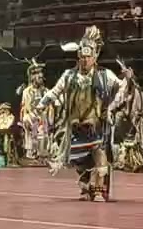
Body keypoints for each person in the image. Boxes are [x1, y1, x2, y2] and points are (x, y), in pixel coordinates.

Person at [35, 26, 131, 201]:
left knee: (99, 155)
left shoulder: (104, 75)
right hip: (75, 126)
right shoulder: (69, 76)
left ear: (94, 57)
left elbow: (122, 90)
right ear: (78, 58)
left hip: (96, 125)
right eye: (82, 57)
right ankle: (86, 187)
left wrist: (128, 79)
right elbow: (55, 92)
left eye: (88, 57)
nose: (85, 60)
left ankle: (99, 190)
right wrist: (41, 104)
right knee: (80, 161)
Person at [18, 61, 50, 163]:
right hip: (31, 116)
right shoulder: (27, 91)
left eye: (41, 76)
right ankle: (31, 153)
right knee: (30, 121)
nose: (40, 77)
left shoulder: (46, 91)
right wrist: (34, 116)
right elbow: (26, 107)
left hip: (44, 116)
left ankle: (42, 153)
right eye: (37, 75)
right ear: (32, 77)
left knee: (43, 127)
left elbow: (49, 106)